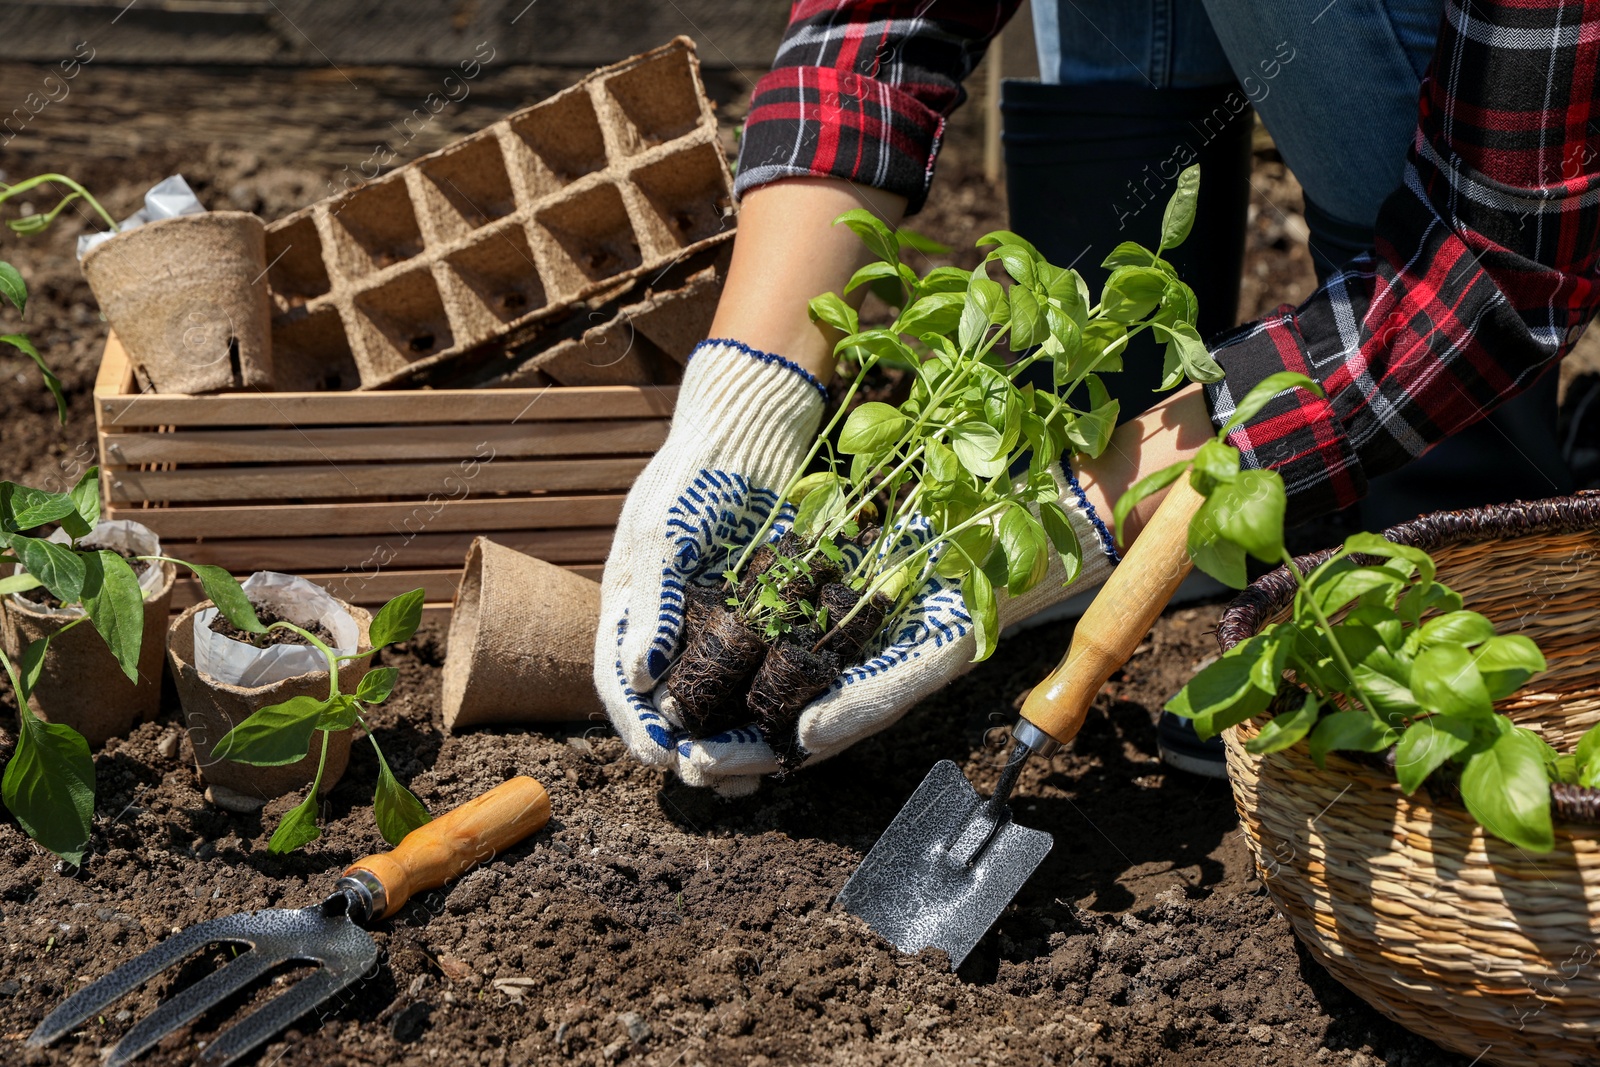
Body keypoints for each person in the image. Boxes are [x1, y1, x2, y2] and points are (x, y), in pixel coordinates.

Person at [594, 0, 1600, 794]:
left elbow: (1494, 261)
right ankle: (1178, 518)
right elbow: (879, 26)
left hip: (1520, 152)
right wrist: (740, 406)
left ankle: (1439, 513)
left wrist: (1073, 511)